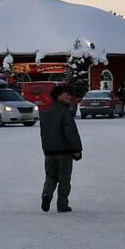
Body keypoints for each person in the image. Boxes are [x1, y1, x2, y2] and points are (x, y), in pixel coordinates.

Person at [39, 85, 83, 213]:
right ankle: (62, 204)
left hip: (49, 152)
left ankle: (46, 195)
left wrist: (46, 148)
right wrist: (76, 149)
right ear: (58, 96)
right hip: (64, 152)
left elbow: (43, 133)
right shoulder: (65, 112)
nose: (69, 96)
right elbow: (70, 132)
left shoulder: (45, 113)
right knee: (64, 179)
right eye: (66, 94)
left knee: (50, 176)